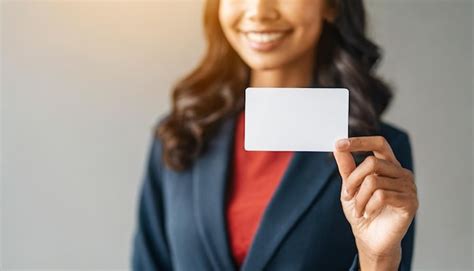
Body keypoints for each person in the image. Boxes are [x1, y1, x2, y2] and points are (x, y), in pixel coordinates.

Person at [131, 0, 419, 270]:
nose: (259, 11)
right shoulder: (180, 137)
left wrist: (378, 258)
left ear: (331, 6)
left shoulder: (379, 155)